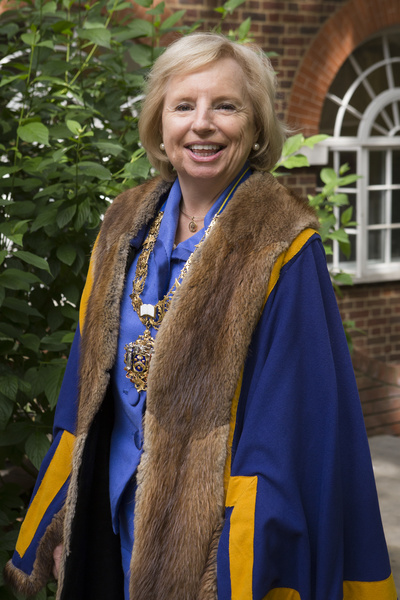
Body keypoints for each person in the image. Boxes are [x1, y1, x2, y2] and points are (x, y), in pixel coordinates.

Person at [5, 32, 398, 600]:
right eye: (183, 105)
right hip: (112, 520)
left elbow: (285, 439)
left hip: (216, 554)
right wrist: (72, 520)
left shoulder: (283, 247)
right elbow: (83, 391)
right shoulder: (123, 226)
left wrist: (234, 573)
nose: (202, 124)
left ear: (256, 127)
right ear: (159, 126)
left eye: (227, 106)